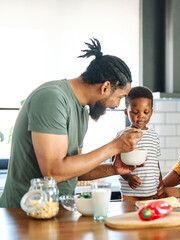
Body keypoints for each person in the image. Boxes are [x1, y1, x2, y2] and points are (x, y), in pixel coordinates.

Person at [0, 38, 143, 208]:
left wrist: (113, 169)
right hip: (24, 214)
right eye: (120, 97)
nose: (117, 105)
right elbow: (53, 172)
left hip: (56, 212)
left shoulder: (82, 111)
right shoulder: (52, 98)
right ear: (105, 87)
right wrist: (115, 146)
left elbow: (71, 170)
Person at [117, 86, 162, 201]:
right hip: (130, 193)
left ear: (151, 112)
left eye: (146, 112)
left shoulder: (154, 136)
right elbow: (115, 164)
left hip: (151, 192)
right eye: (135, 112)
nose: (141, 116)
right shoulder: (122, 136)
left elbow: (156, 162)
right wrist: (128, 178)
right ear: (126, 112)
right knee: (129, 218)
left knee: (148, 218)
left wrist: (160, 181)